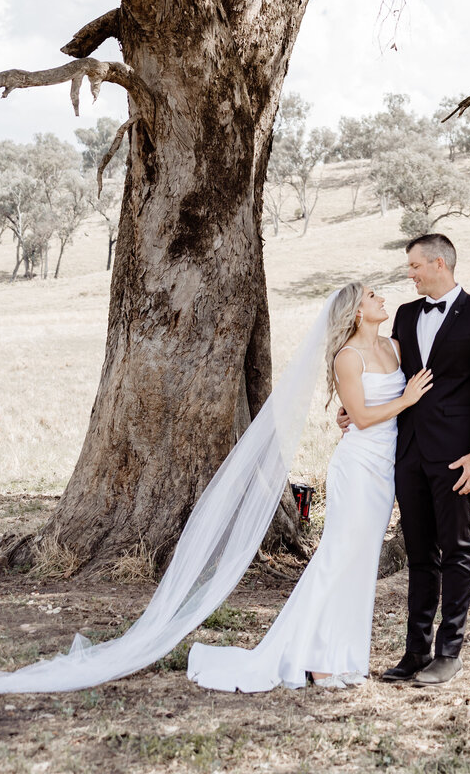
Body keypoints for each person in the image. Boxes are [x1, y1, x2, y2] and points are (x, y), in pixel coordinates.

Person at [188, 283, 431, 692]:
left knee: (361, 564)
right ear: (356, 311)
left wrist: (396, 405)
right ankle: (317, 660)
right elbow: (363, 417)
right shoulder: (347, 358)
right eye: (373, 296)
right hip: (356, 468)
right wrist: (404, 400)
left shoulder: (394, 348)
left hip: (384, 473)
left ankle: (345, 656)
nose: (382, 299)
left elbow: (372, 409)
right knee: (337, 559)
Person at [342, 232, 470, 688]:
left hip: (457, 457)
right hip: (408, 453)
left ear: (438, 263)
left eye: (414, 266)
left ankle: (448, 652)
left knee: (456, 550)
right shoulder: (407, 315)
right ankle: (415, 652)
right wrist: (351, 408)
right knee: (419, 554)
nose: (409, 274)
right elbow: (393, 376)